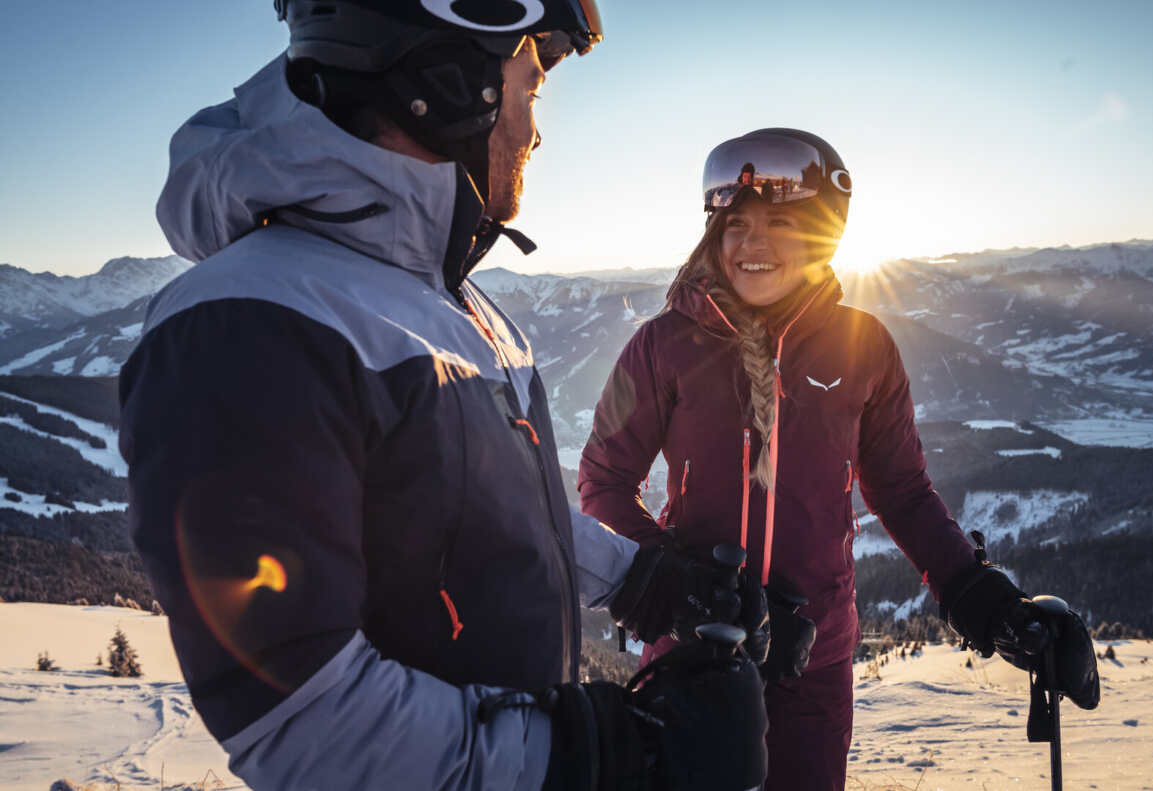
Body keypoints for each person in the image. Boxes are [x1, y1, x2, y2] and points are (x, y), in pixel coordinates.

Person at [119, 4, 770, 790]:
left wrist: (644, 578)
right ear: (447, 86)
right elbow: (300, 716)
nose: (535, 133)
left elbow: (495, 510)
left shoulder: (461, 310)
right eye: (528, 92)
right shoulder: (249, 324)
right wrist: (600, 756)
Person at [578, 128, 1100, 790]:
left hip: (812, 660)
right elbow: (603, 480)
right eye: (735, 224)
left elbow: (902, 491)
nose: (751, 242)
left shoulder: (864, 346)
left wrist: (976, 593)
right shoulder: (659, 346)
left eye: (779, 222)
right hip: (691, 650)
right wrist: (669, 582)